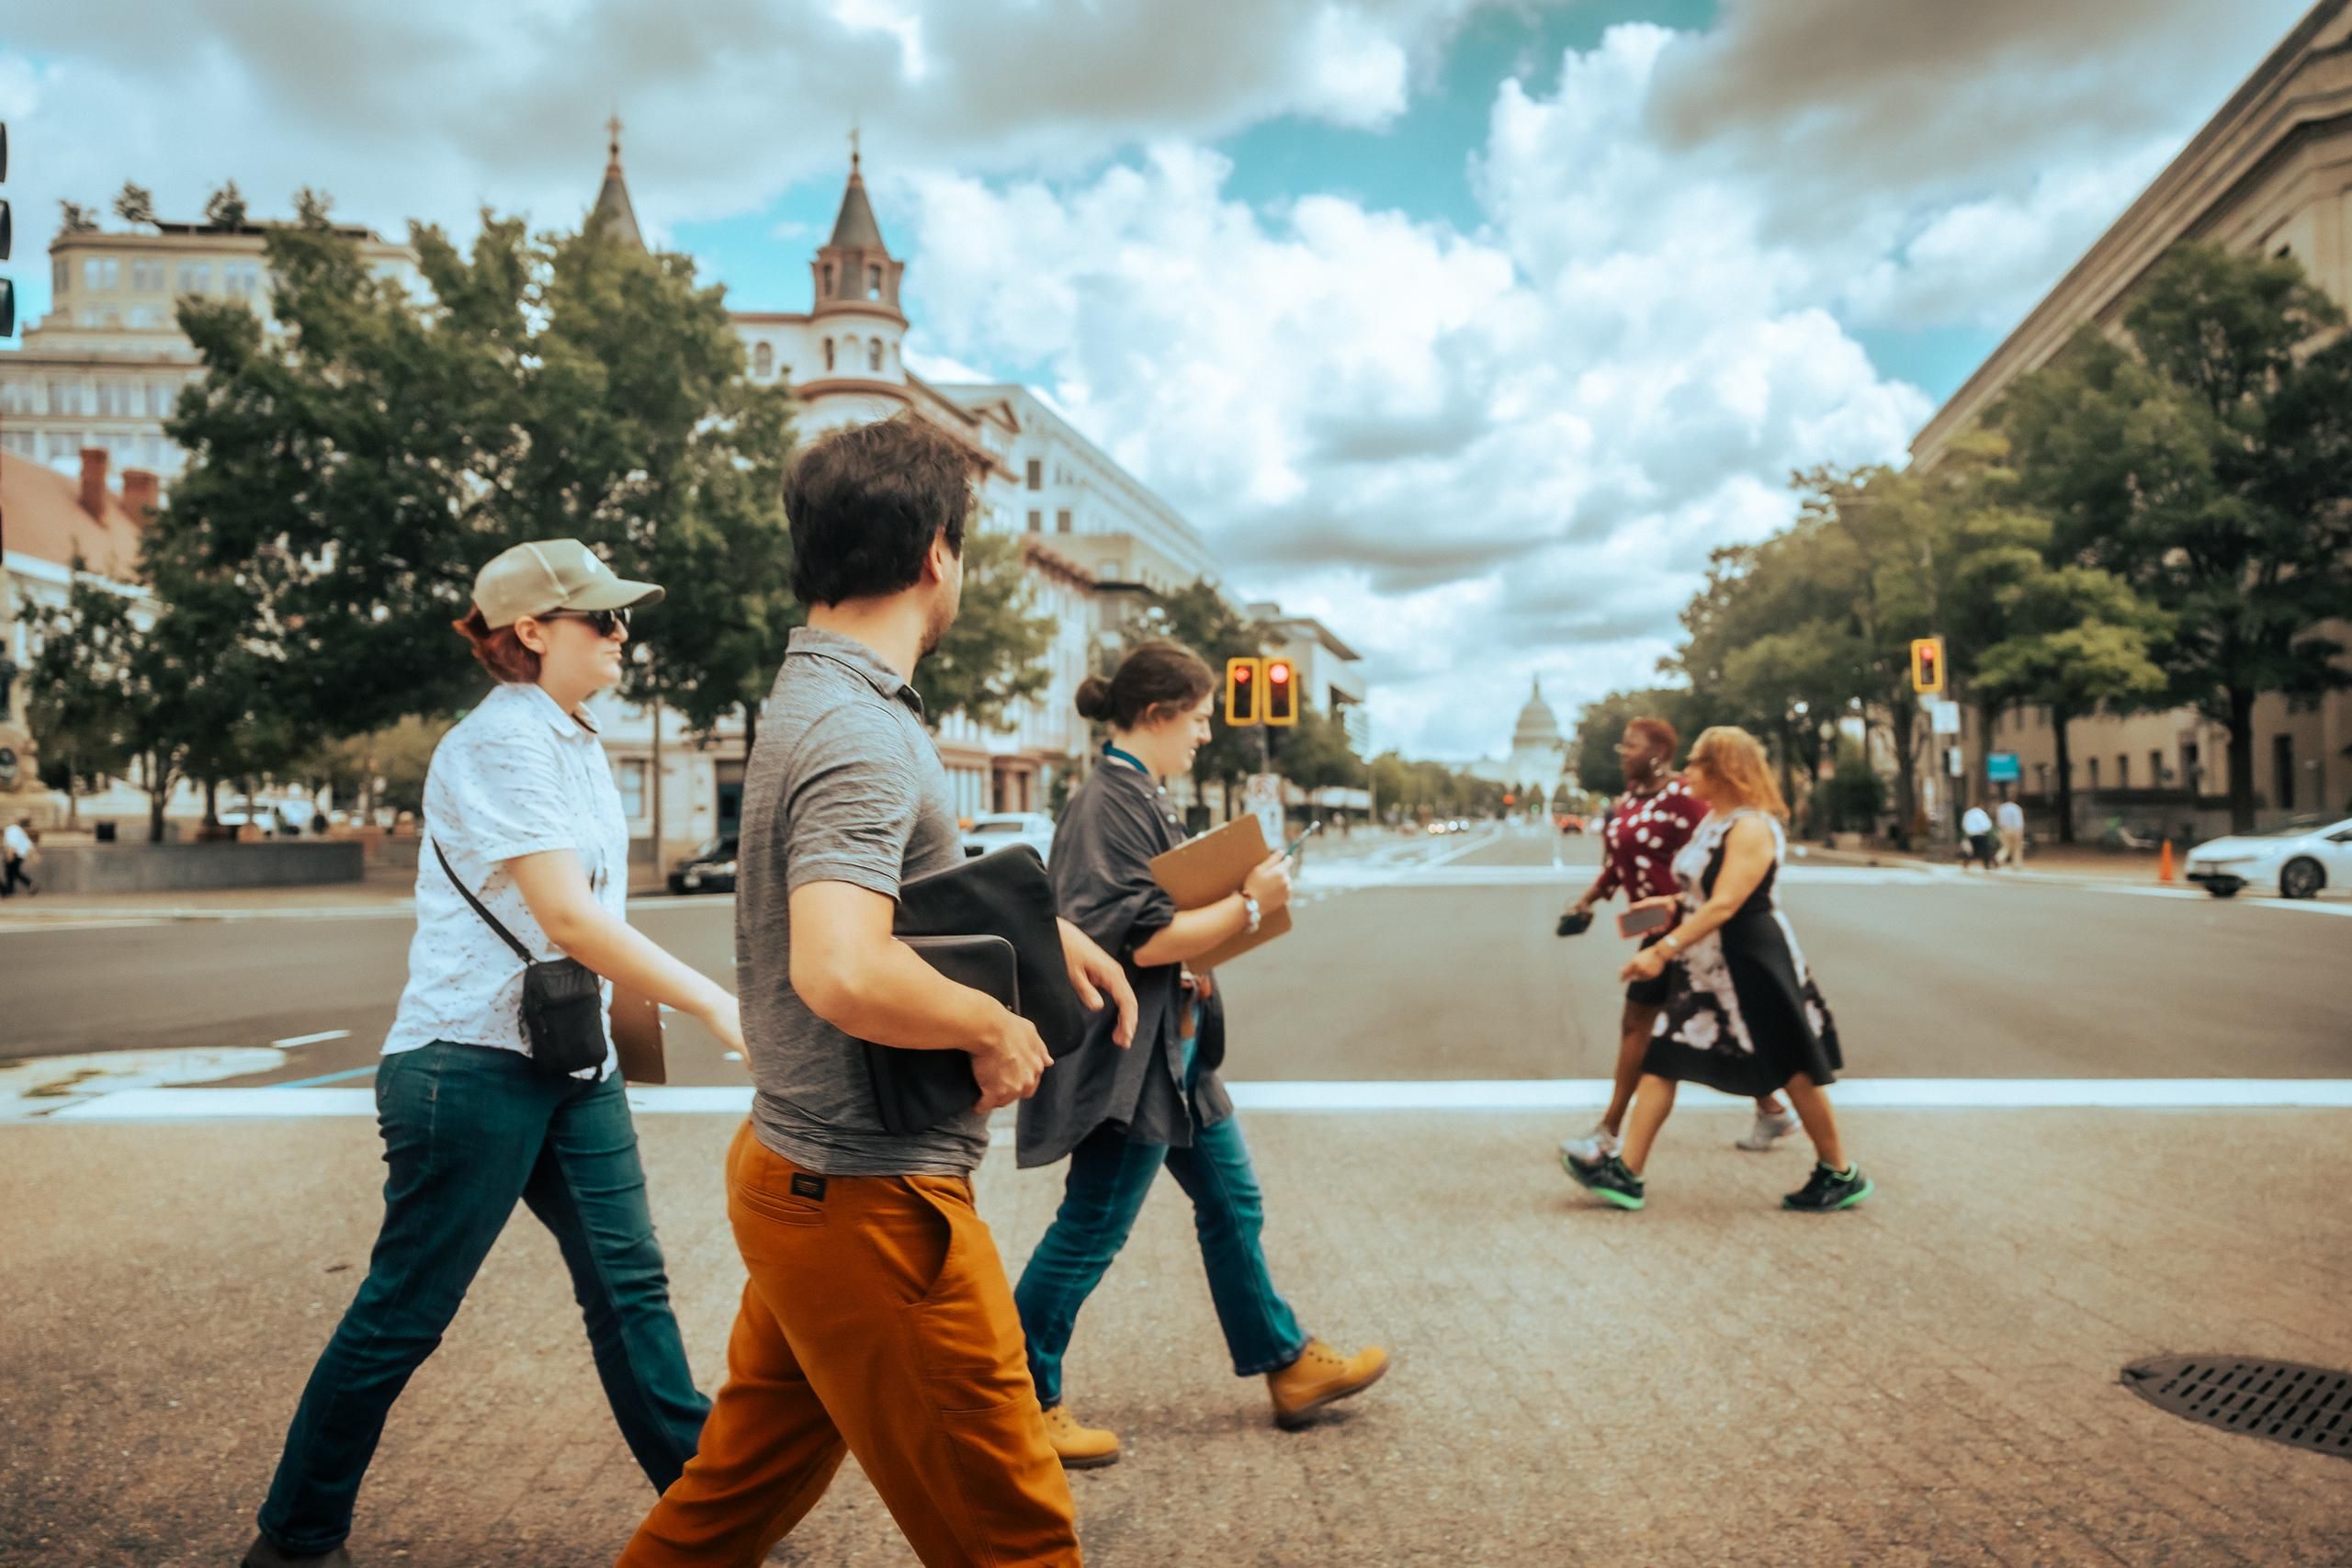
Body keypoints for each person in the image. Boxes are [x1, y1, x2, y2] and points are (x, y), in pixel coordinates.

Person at [618, 413, 1136, 1568]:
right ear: (936, 553)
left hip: (805, 1182)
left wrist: (1044, 939)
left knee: (724, 1510)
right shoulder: (861, 727)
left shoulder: (820, 697)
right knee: (1018, 1538)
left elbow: (894, 900)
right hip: (867, 1202)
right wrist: (995, 1025)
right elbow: (841, 965)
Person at [244, 541, 742, 1568]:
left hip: (569, 1061)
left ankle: (707, 1516)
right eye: (600, 619)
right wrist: (706, 1000)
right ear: (530, 632)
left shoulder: (573, 738)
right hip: (467, 1068)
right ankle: (294, 1540)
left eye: (621, 618)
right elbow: (566, 915)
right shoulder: (501, 744)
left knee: (629, 1283)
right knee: (406, 1314)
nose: (621, 634)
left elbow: (587, 911)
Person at [1012, 641, 1388, 1471]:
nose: (1207, 732)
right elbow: (1139, 938)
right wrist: (1253, 903)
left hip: (1171, 1055)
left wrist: (1205, 948)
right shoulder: (1108, 800)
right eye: (1198, 715)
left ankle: (1285, 1364)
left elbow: (1152, 929)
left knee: (1233, 1204)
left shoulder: (1132, 790)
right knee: (1091, 1229)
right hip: (1132, 1059)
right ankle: (1017, 1400)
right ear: (1157, 714)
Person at [1563, 727, 1871, 1214]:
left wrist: (1661, 951)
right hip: (1707, 963)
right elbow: (1698, 894)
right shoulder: (1714, 822)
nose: (1687, 774)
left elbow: (1727, 903)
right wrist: (1665, 905)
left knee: (1793, 1068)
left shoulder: (1751, 827)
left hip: (1751, 961)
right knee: (1663, 1060)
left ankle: (1839, 1171)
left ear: (1724, 770)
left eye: (1698, 764)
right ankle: (1626, 1172)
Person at [1558, 719, 1794, 1163]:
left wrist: (1684, 922)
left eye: (1631, 745)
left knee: (1640, 1027)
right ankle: (1773, 1107)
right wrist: (1588, 901)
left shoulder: (1685, 798)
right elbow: (1616, 864)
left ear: (1658, 752)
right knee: (1724, 1022)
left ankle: (1610, 1133)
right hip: (1653, 923)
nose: (1622, 752)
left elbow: (1708, 854)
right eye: (1622, 743)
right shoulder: (1630, 799)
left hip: (1684, 924)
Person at [2, 818, 36, 897]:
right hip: (21, 856)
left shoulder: (11, 829)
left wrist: (10, 854)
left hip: (14, 854)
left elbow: (12, 843)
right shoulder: (20, 831)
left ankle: (8, 890)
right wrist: (34, 855)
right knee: (14, 872)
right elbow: (29, 844)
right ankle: (28, 884)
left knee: (10, 873)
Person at [1962, 804, 1996, 871]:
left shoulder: (1968, 813)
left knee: (1970, 851)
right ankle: (1986, 865)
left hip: (1971, 835)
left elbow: (1964, 824)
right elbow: (1986, 825)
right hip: (1981, 834)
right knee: (1985, 850)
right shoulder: (1981, 813)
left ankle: (1966, 864)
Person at [1996, 797, 2027, 868]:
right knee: (2017, 847)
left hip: (2004, 829)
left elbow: (1999, 821)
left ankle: (1998, 858)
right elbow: (2018, 821)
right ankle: (2017, 864)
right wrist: (2020, 831)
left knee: (2006, 846)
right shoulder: (2016, 808)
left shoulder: (2001, 808)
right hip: (2015, 829)